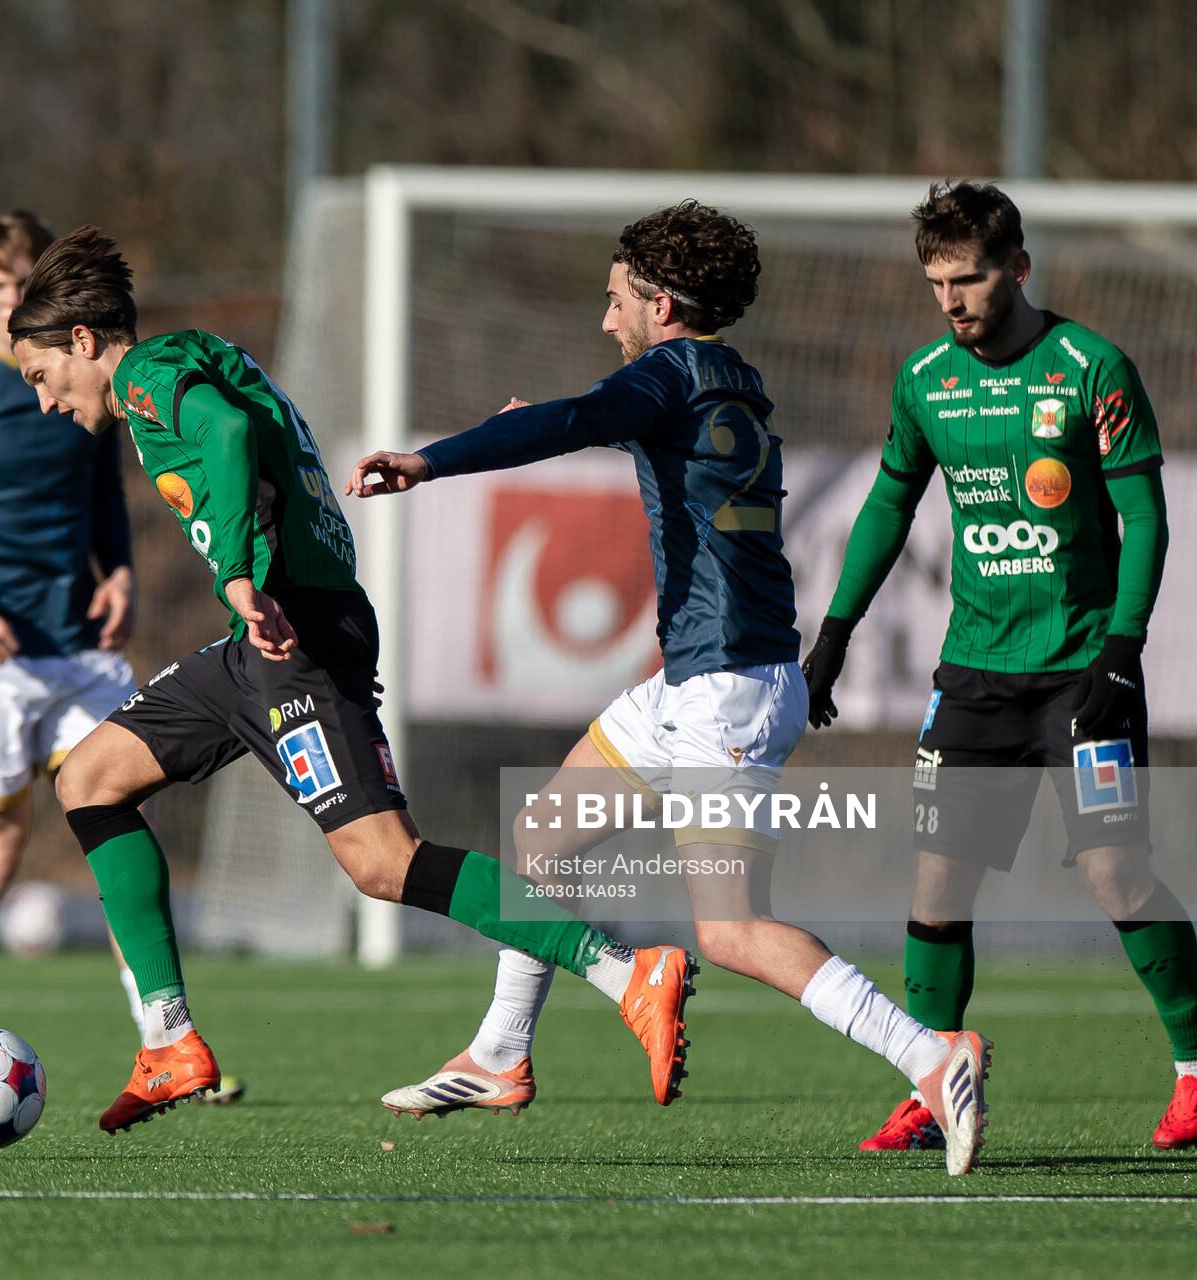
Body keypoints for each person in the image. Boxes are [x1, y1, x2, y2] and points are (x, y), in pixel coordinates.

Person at [351, 201, 993, 1175]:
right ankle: (499, 1051)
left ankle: (930, 1056)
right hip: (701, 678)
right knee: (542, 835)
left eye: (617, 299)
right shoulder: (731, 376)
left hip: (726, 689)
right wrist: (550, 423)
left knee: (730, 928)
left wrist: (429, 460)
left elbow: (577, 420)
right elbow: (602, 424)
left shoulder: (668, 374)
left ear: (660, 303)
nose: (606, 317)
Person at [10, 227, 695, 1137]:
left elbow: (225, 432)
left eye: (42, 376)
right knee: (90, 779)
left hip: (294, 635)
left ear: (84, 340)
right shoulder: (183, 364)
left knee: (385, 863)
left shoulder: (149, 375)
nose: (45, 400)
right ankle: (168, 1038)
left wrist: (239, 575)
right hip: (258, 644)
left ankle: (626, 971)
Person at [801, 180, 1197, 1153]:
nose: (950, 301)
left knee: (1118, 875)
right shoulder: (925, 380)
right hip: (976, 676)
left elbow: (1146, 518)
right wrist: (833, 634)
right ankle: (933, 1080)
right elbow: (888, 505)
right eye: (936, 283)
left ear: (1019, 267)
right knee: (936, 890)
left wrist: (1123, 649)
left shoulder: (1091, 369)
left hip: (1083, 671)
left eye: (969, 278)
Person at [0, 212, 241, 1092]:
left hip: (76, 645)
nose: (10, 297)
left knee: (116, 815)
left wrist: (118, 572)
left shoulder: (78, 377)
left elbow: (103, 487)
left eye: (23, 282)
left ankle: (168, 1041)